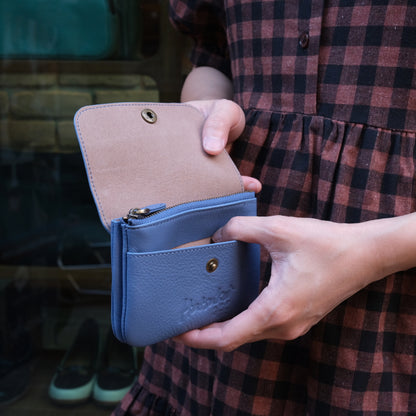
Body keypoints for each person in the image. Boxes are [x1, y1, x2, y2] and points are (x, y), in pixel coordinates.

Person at [112, 0, 416, 414]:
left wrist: (374, 252)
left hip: (391, 309)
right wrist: (203, 118)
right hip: (224, 265)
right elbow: (212, 60)